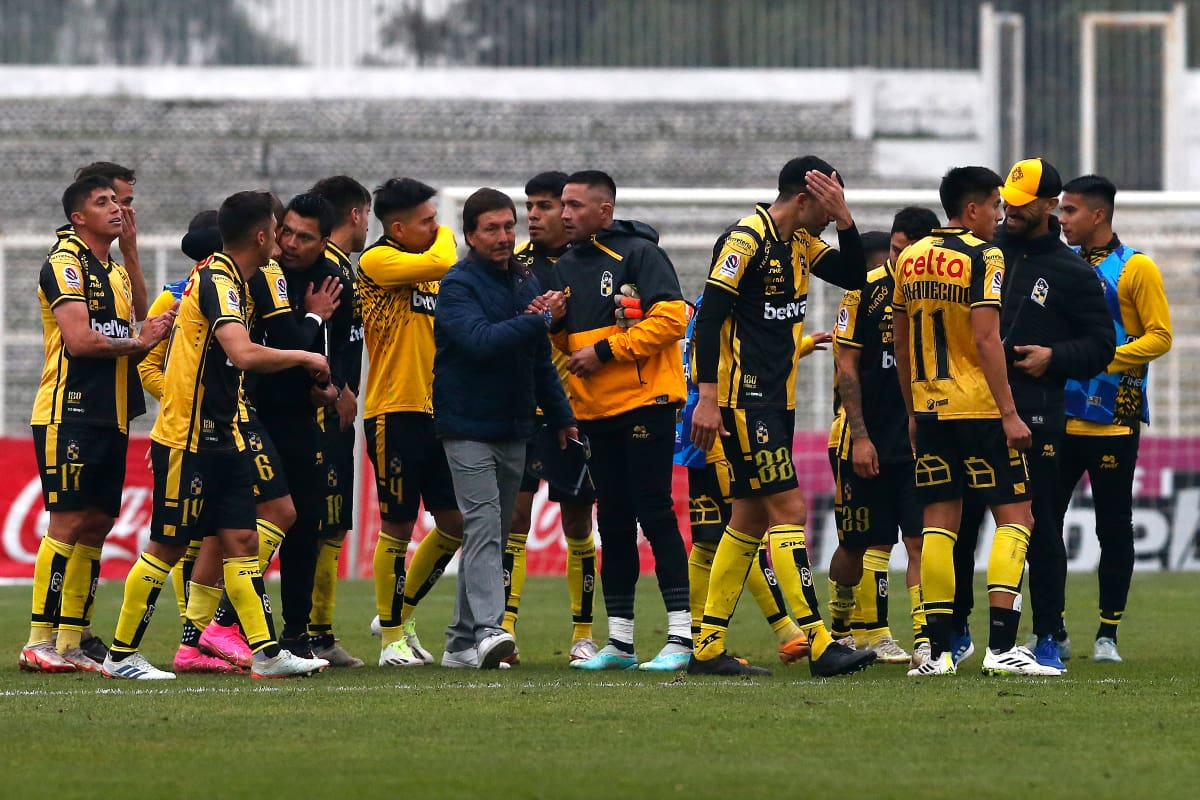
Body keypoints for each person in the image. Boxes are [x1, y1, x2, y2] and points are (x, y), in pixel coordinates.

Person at [102, 190, 331, 680]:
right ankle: (121, 656)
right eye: (277, 226)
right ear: (262, 234)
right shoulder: (218, 278)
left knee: (243, 537)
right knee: (166, 546)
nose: (283, 236)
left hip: (223, 435)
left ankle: (266, 655)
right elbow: (244, 353)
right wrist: (308, 356)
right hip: (188, 438)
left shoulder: (237, 281)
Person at [688, 155, 875, 677]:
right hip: (744, 401)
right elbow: (709, 321)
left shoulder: (800, 243)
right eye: (829, 201)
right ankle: (819, 643)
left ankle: (706, 648)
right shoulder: (746, 239)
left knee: (746, 520)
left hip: (777, 401)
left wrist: (845, 220)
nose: (832, 212)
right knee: (789, 510)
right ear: (803, 197)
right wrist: (706, 396)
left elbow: (855, 275)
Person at [892, 166, 1059, 678]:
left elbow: (900, 341)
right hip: (982, 410)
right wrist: (1010, 412)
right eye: (993, 206)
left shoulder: (912, 256)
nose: (999, 216)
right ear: (972, 210)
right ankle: (1003, 647)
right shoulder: (984, 255)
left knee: (939, 526)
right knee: (1018, 517)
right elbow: (987, 339)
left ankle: (938, 653)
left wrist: (913, 412)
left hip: (931, 410)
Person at [951, 159, 1115, 672]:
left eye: (1022, 206)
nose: (1011, 213)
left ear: (1048, 205)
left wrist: (1054, 358)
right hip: (971, 409)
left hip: (1036, 415)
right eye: (1008, 203)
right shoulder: (985, 253)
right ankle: (956, 632)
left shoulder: (1074, 272)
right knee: (962, 525)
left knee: (1040, 528)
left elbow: (1102, 346)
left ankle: (1048, 633)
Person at [20, 176, 175, 673]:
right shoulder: (65, 262)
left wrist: (131, 251)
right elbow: (81, 341)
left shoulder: (112, 266)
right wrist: (139, 343)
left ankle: (70, 642)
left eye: (119, 202)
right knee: (66, 522)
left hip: (111, 413)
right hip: (71, 411)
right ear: (78, 216)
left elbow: (139, 316)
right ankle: (39, 639)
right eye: (103, 203)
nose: (117, 209)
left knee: (97, 526)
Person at [551, 170, 692, 672]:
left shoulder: (638, 254)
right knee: (611, 522)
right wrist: (554, 324)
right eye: (561, 206)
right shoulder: (564, 266)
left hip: (645, 402)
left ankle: (680, 636)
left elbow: (674, 318)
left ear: (604, 210)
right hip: (593, 412)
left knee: (654, 511)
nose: (564, 214)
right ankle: (621, 642)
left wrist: (608, 349)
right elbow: (568, 349)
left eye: (574, 205)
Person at [433, 188, 577, 668]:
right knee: (481, 526)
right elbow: (478, 342)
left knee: (489, 528)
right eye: (491, 228)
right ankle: (492, 628)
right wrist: (537, 320)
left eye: (508, 226)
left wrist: (560, 417)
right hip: (467, 425)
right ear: (470, 235)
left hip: (515, 426)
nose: (503, 236)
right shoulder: (456, 285)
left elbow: (538, 361)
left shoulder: (522, 278)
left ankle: (458, 643)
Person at [1057, 174, 1173, 664]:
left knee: (1113, 527)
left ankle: (1108, 633)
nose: (1060, 219)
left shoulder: (1136, 268)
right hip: (1056, 416)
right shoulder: (1056, 264)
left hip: (1114, 418)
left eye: (1069, 211)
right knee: (1041, 526)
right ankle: (1052, 627)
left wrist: (1104, 358)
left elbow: (1160, 336)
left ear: (1098, 215)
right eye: (1059, 210)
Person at [828, 207, 940, 669]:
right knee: (855, 546)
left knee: (918, 542)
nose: (897, 260)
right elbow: (846, 368)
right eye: (893, 250)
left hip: (918, 442)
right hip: (865, 440)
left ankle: (924, 642)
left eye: (905, 251)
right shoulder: (863, 291)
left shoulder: (937, 294)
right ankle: (839, 626)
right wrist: (859, 438)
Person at [359, 178, 463, 667]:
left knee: (455, 525)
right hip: (393, 411)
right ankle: (392, 640)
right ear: (397, 228)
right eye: (427, 220)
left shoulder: (426, 269)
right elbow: (445, 257)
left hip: (436, 411)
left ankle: (398, 615)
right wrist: (447, 234)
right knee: (397, 525)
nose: (437, 227)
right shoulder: (379, 260)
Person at [504, 171, 599, 665]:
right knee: (514, 519)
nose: (535, 216)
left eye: (546, 206)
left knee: (578, 523)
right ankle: (504, 629)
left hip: (577, 414)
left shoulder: (594, 265)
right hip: (521, 411)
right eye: (531, 207)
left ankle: (583, 633)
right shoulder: (514, 268)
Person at [255, 193, 355, 661]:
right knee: (247, 526)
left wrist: (335, 386)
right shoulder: (255, 269)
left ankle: (298, 633)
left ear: (325, 241)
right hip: (251, 413)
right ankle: (221, 631)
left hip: (301, 416)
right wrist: (311, 318)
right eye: (286, 231)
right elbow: (277, 341)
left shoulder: (334, 280)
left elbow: (341, 348)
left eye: (304, 237)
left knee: (307, 524)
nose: (289, 243)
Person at [308, 175, 372, 667]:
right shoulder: (327, 267)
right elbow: (322, 337)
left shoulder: (339, 267)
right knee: (318, 523)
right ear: (356, 214)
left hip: (333, 406)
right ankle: (314, 634)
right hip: (324, 410)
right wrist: (340, 391)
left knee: (328, 525)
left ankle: (318, 632)